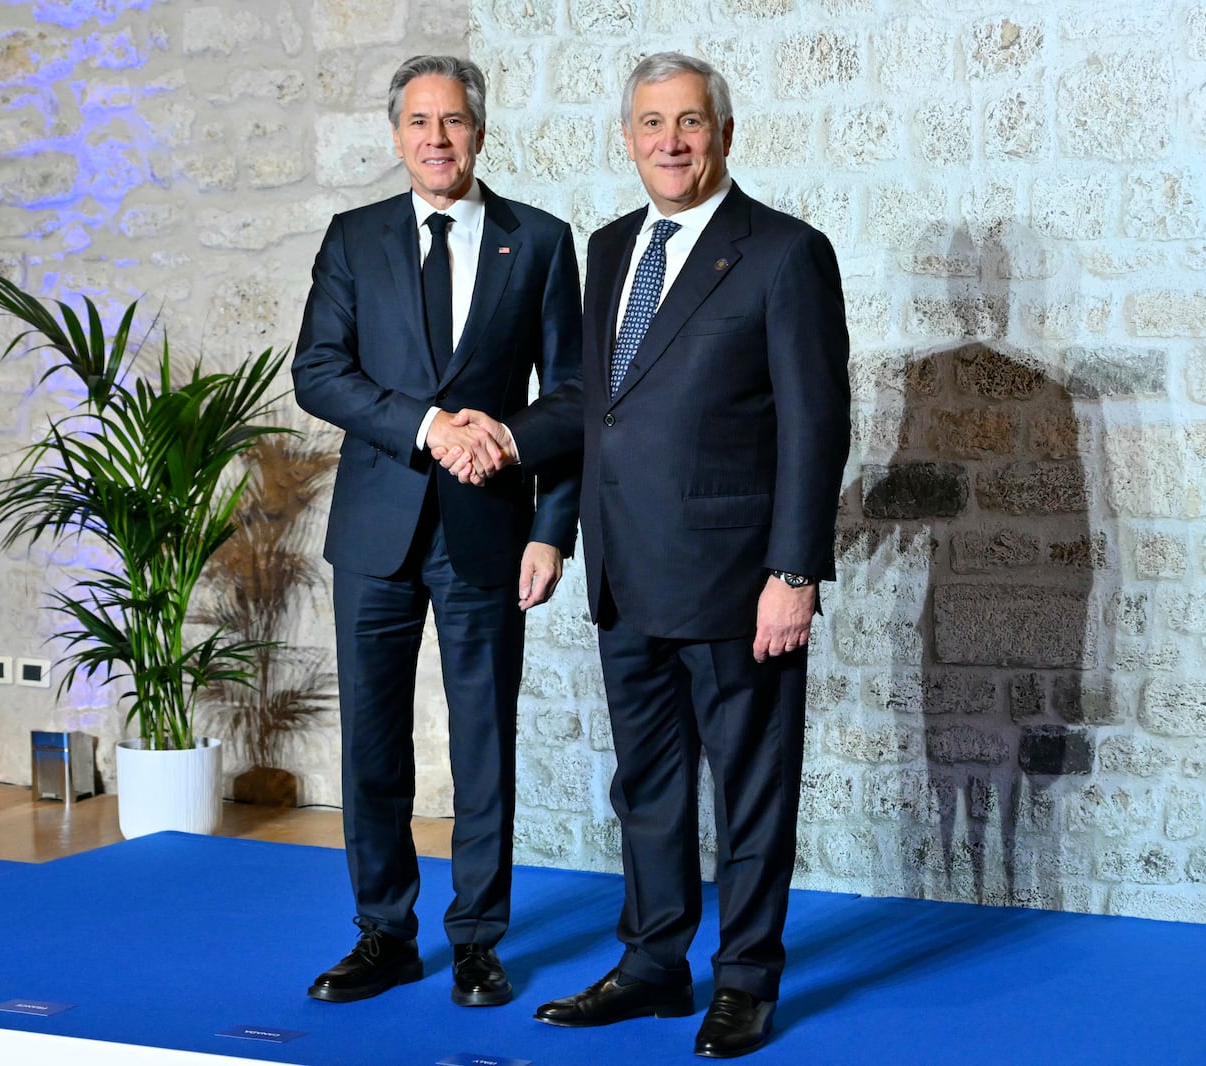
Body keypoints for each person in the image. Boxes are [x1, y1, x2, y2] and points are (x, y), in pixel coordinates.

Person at [450, 51, 849, 1058]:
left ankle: (746, 978)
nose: (670, 142)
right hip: (624, 573)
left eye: (689, 123)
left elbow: (815, 425)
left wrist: (792, 573)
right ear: (626, 137)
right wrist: (501, 435)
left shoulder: (784, 253)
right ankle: (654, 963)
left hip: (735, 582)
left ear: (722, 131)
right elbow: (595, 405)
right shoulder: (611, 244)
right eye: (650, 124)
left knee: (750, 790)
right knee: (650, 786)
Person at [291, 54, 582, 1010]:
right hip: (376, 529)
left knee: (483, 741)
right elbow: (319, 373)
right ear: (395, 135)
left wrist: (550, 528)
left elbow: (575, 396)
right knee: (373, 743)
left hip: (489, 532)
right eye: (419, 123)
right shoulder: (354, 239)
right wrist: (428, 428)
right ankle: (382, 934)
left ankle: (477, 942)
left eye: (453, 121)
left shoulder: (538, 241)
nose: (437, 139)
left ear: (480, 130)